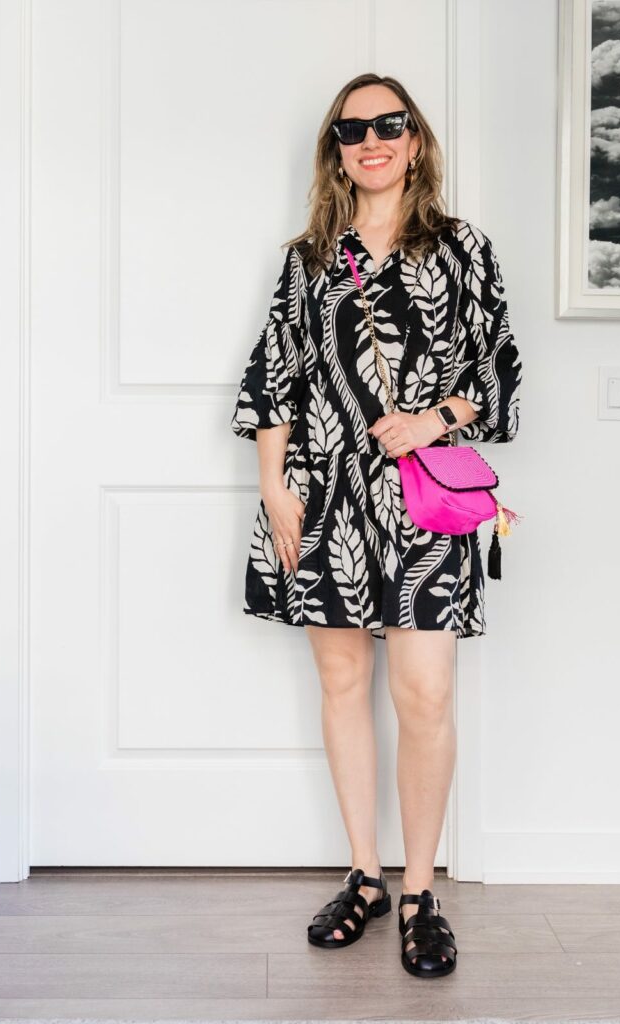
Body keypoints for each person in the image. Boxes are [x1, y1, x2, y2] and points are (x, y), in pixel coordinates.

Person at [230, 72, 522, 979]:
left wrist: (433, 420)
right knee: (343, 679)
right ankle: (363, 874)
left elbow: (501, 370)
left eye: (387, 125)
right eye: (351, 129)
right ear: (336, 149)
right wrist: (275, 486)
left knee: (425, 694)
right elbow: (273, 376)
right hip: (323, 500)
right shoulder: (307, 256)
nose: (371, 141)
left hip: (422, 500)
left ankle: (420, 891)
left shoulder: (462, 249)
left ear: (415, 139)